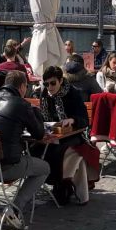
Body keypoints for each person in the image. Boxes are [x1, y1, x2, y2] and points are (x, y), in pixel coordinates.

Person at [0, 70, 50, 228]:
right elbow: (39, 134)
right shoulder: (21, 104)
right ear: (22, 86)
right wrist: (35, 111)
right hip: (6, 168)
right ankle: (15, 209)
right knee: (44, 168)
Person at [37, 66, 93, 204]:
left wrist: (72, 119)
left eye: (53, 83)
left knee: (59, 151)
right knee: (35, 148)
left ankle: (62, 185)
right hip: (51, 133)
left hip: (74, 135)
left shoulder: (73, 93)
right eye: (46, 84)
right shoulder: (44, 94)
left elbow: (84, 120)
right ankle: (44, 181)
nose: (49, 87)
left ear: (61, 80)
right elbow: (43, 117)